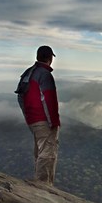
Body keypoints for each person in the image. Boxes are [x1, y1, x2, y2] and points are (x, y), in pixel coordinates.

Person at [15, 45, 61, 185]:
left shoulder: (28, 73)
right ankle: (44, 186)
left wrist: (28, 117)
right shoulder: (45, 75)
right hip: (44, 120)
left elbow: (20, 97)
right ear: (50, 58)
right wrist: (53, 122)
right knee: (48, 153)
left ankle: (39, 184)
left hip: (33, 120)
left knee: (40, 152)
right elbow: (49, 99)